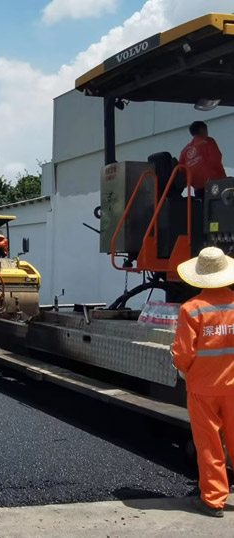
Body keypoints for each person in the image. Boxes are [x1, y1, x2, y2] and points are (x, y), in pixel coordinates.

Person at [172, 247, 234, 518]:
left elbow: (183, 354)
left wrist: (187, 372)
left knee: (209, 444)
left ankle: (213, 499)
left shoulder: (192, 310)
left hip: (203, 389)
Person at [179, 121, 225, 197]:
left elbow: (181, 170)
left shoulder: (185, 150)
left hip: (197, 188)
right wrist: (222, 177)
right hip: (214, 184)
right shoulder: (208, 141)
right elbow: (215, 159)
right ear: (202, 130)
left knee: (202, 207)